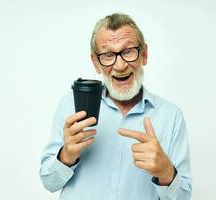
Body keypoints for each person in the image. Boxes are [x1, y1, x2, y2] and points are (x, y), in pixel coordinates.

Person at [40, 13, 192, 200]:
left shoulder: (171, 116)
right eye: (108, 55)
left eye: (128, 52)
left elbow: (183, 197)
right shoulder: (72, 105)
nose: (119, 66)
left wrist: (166, 171)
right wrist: (66, 155)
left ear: (143, 54)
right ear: (96, 63)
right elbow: (49, 183)